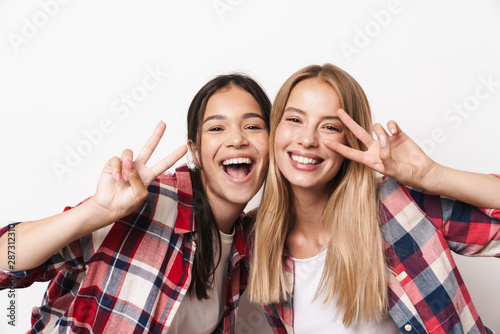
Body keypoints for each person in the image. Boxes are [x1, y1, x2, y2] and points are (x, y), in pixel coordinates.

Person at [0, 73, 271, 333]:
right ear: (195, 152)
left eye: (252, 126)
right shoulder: (147, 200)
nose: (237, 139)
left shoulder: (245, 246)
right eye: (217, 128)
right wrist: (95, 211)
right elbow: (5, 263)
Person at [248, 63, 500, 334]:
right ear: (274, 130)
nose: (308, 139)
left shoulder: (398, 203)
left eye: (330, 127)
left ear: (351, 141)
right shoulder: (256, 237)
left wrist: (433, 175)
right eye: (295, 120)